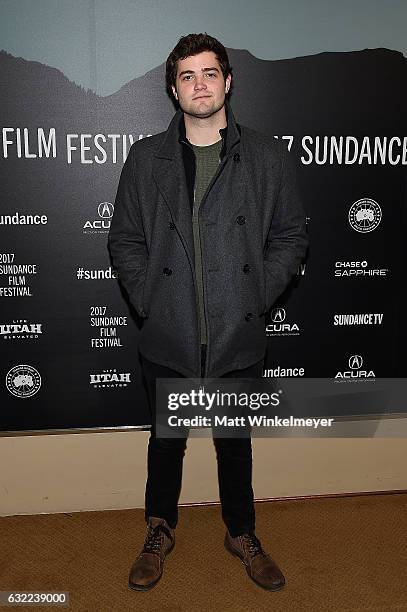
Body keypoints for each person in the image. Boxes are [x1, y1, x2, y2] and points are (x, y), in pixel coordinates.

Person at [108, 32, 308, 592]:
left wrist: (253, 297)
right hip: (167, 330)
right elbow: (124, 239)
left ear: (228, 81)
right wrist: (149, 298)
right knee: (165, 442)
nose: (201, 85)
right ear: (175, 89)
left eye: (210, 73)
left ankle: (241, 531)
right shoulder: (146, 158)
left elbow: (291, 237)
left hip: (235, 333)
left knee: (234, 443)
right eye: (188, 76)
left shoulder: (265, 157)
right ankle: (159, 528)